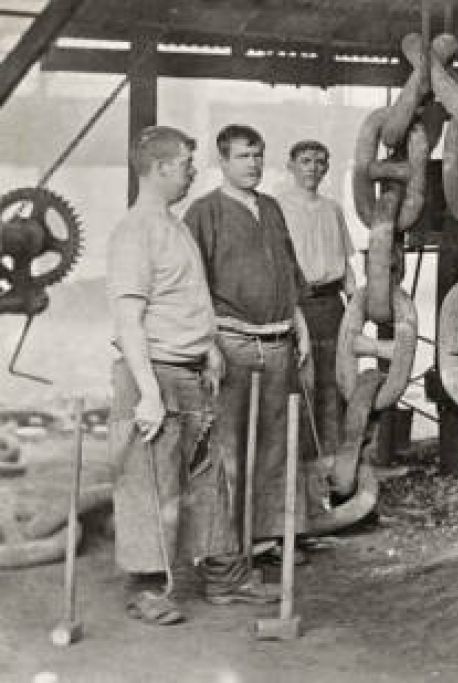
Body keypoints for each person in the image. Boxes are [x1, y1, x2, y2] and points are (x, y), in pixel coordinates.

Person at [108, 125, 276, 624]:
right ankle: (148, 589)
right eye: (184, 163)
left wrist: (207, 349)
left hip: (190, 371)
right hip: (154, 374)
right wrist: (147, 395)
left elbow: (184, 299)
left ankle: (225, 579)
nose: (190, 172)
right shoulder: (136, 231)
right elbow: (128, 321)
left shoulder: (174, 224)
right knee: (150, 484)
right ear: (159, 168)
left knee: (207, 478)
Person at [184, 124, 312, 569]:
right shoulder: (204, 212)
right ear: (223, 162)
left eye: (258, 155)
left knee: (277, 444)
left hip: (278, 340)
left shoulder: (272, 208)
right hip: (232, 342)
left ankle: (270, 536)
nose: (253, 164)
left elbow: (289, 270)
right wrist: (208, 344)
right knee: (229, 448)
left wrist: (299, 323)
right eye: (243, 156)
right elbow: (192, 286)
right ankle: (228, 546)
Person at [274, 140, 356, 491]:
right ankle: (299, 473)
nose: (313, 168)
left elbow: (347, 264)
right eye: (305, 161)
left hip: (332, 306)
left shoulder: (332, 209)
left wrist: (356, 304)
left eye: (320, 162)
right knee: (301, 384)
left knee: (333, 384)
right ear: (291, 165)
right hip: (298, 305)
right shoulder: (277, 208)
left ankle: (333, 470)